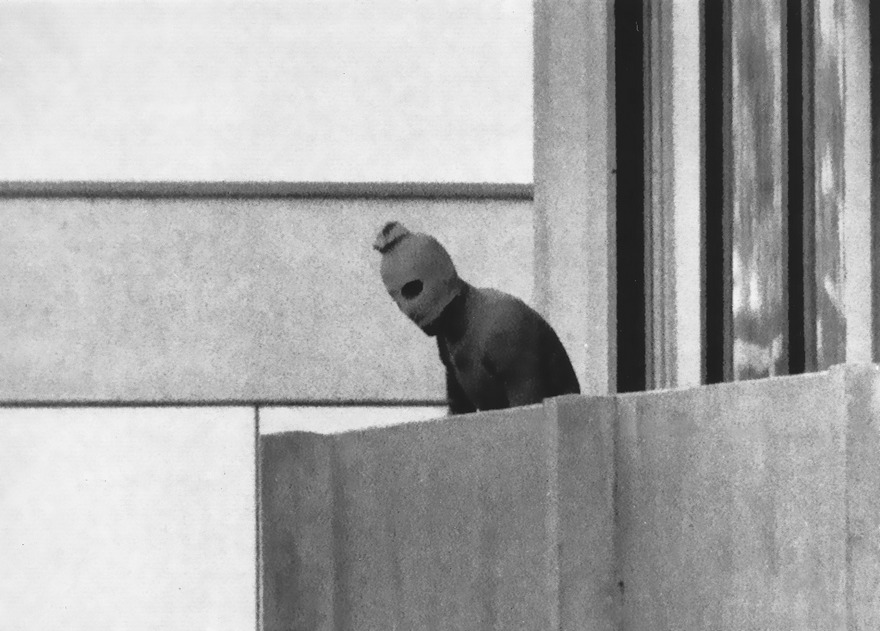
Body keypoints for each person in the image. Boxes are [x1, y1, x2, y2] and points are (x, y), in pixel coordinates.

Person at [373, 221, 580, 414]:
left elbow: (529, 426)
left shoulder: (502, 325)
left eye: (412, 289)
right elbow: (458, 420)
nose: (408, 310)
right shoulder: (448, 336)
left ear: (442, 275)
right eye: (396, 300)